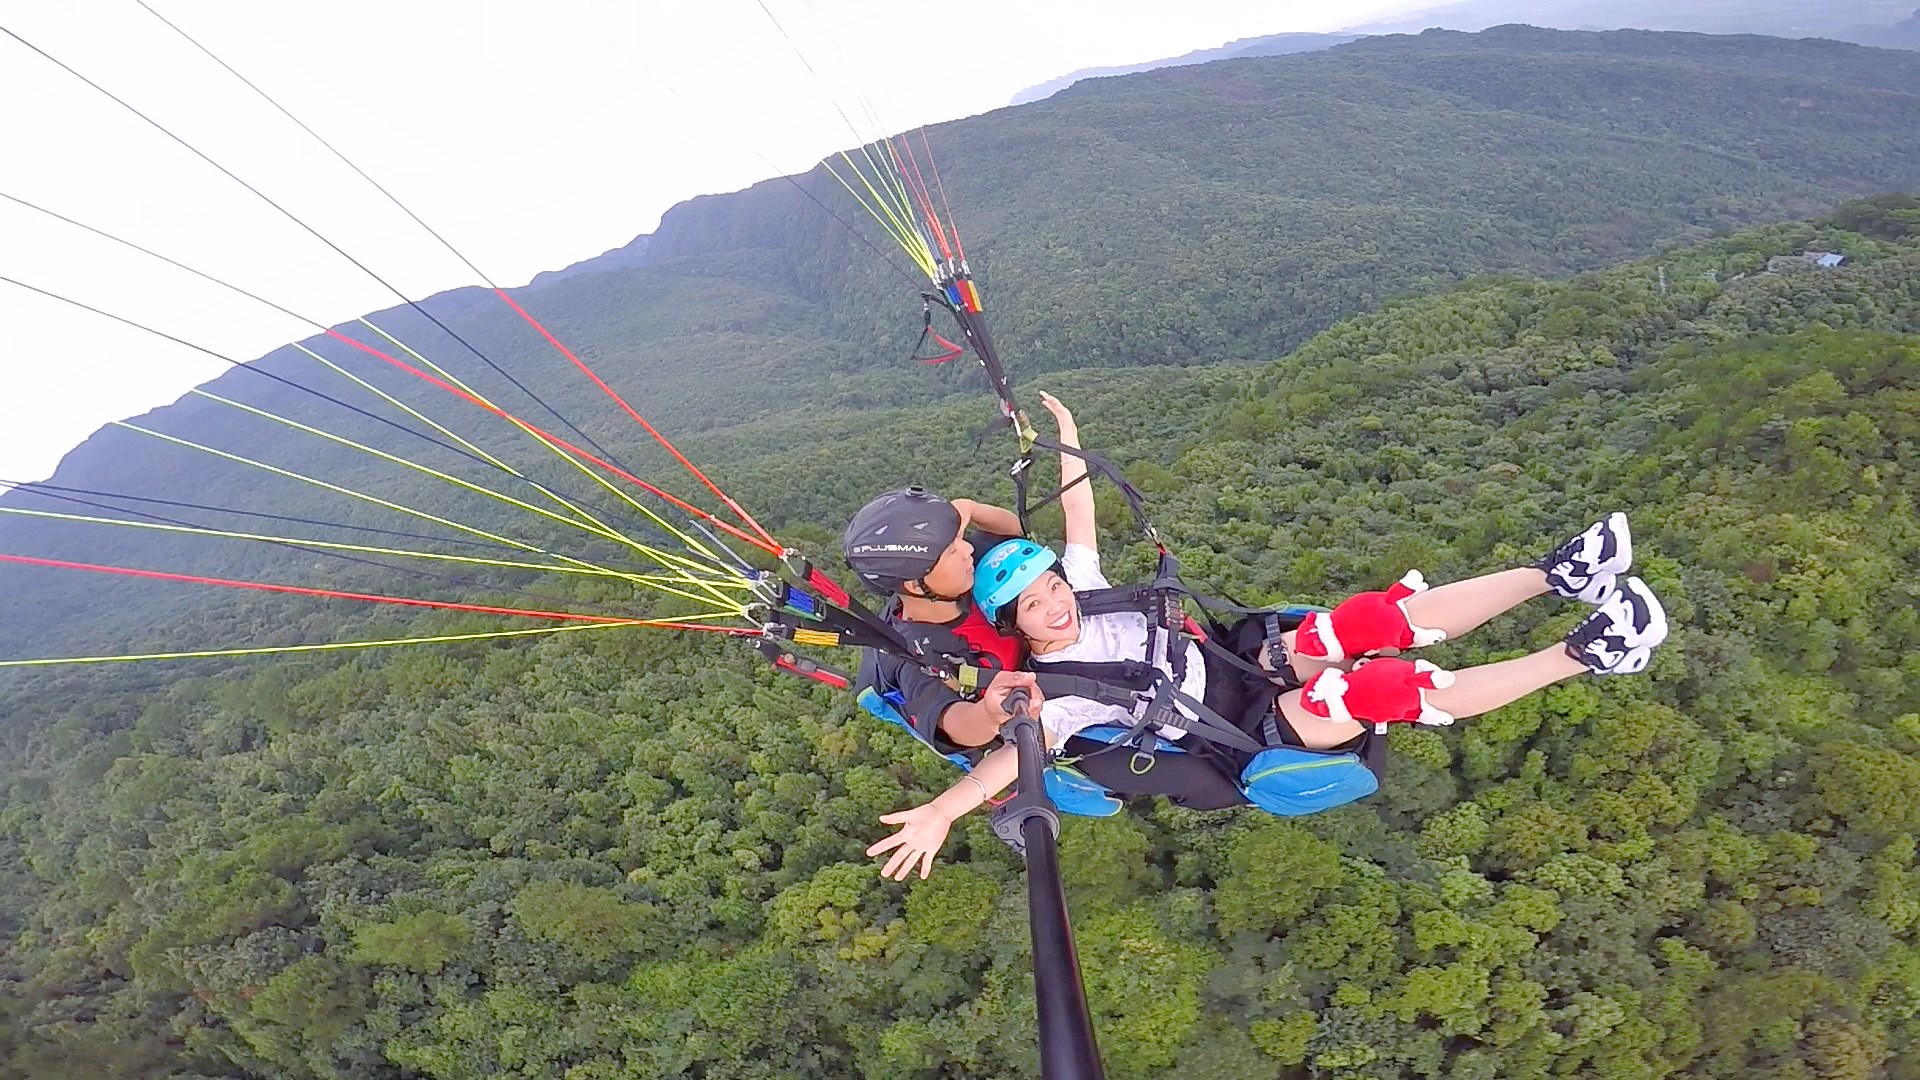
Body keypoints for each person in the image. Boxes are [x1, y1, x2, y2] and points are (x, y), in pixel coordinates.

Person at [867, 392, 1669, 880]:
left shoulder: (1080, 587)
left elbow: (1078, 513)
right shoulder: (1055, 695)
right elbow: (1009, 756)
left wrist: (1070, 439)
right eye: (1037, 608)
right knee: (1385, 689)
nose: (1057, 605)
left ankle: (1555, 575)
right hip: (1244, 726)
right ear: (1013, 627)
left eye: (1052, 588)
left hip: (1237, 660)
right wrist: (944, 808)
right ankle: (1590, 651)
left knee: (1368, 623)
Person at [840, 486, 1045, 752]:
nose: (967, 548)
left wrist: (970, 508)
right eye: (951, 551)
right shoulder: (912, 655)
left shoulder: (966, 572)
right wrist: (989, 715)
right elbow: (952, 720)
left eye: (959, 538)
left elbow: (1012, 533)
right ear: (916, 586)